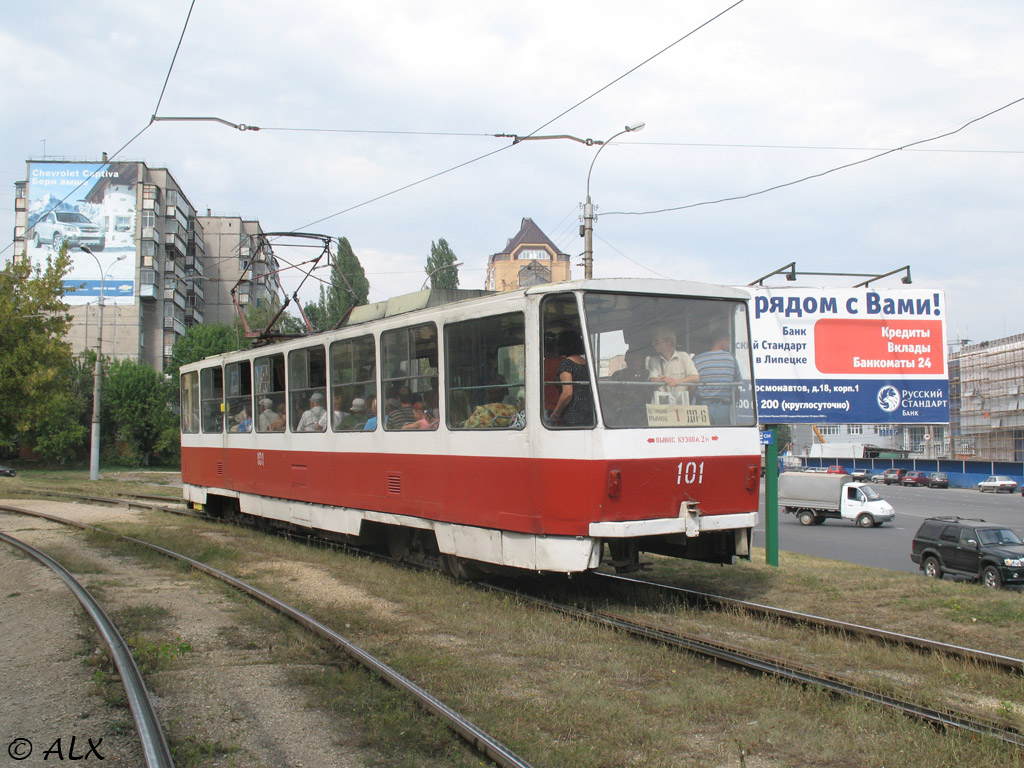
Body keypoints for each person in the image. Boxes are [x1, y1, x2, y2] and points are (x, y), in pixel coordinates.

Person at [693, 332, 741, 425]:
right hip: (723, 408)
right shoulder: (731, 359)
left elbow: (693, 385)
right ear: (723, 341)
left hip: (701, 407)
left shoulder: (697, 359)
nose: (728, 345)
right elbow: (738, 382)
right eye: (728, 342)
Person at [550, 330, 593, 427]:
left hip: (572, 413)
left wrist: (556, 413)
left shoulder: (566, 363)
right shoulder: (586, 363)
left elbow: (567, 393)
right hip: (588, 411)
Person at [647, 327, 699, 404]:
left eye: (657, 341)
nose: (653, 344)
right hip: (660, 407)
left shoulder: (684, 357)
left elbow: (695, 378)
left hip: (680, 405)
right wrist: (662, 380)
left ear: (668, 341)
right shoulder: (654, 360)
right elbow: (652, 380)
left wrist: (677, 381)